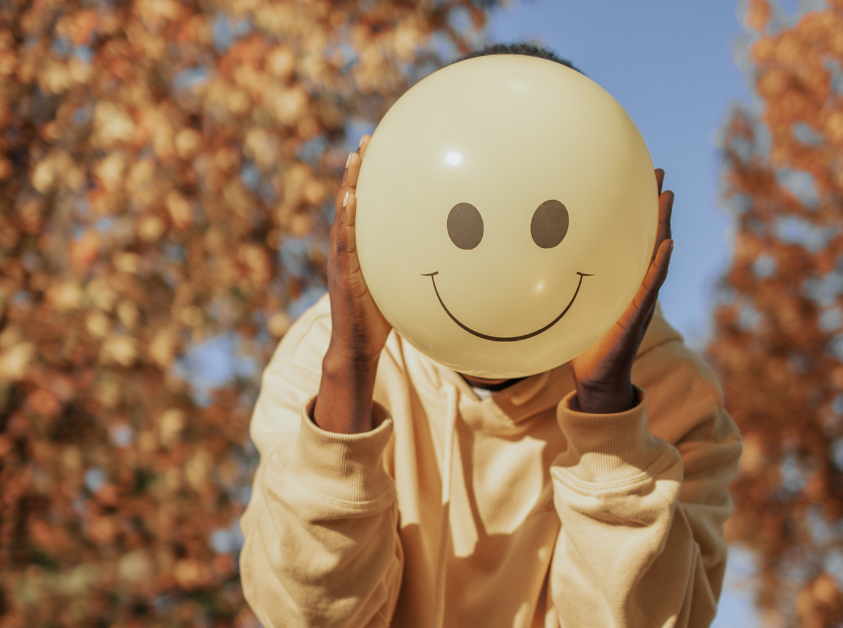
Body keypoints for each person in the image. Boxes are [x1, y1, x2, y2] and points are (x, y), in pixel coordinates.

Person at [239, 44, 744, 628]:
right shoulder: (324, 358)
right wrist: (351, 371)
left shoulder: (674, 393)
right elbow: (306, 615)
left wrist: (608, 413)